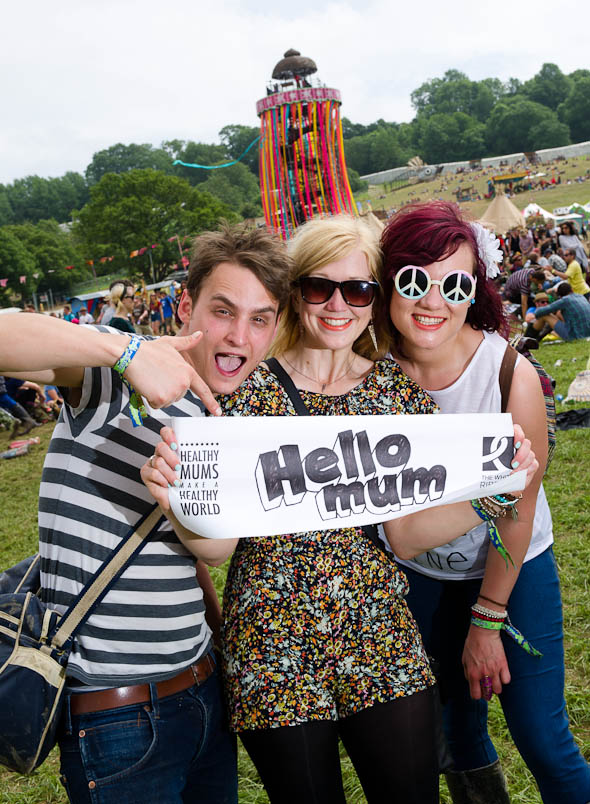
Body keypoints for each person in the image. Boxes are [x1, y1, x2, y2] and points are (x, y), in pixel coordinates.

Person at [142, 215, 537, 804]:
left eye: (357, 290)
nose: (337, 305)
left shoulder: (396, 395)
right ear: (295, 291)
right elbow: (217, 546)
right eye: (318, 288)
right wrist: (179, 504)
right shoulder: (246, 392)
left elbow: (403, 537)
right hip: (273, 644)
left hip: (380, 633)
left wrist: (489, 494)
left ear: (374, 299)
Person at [0, 221, 292, 804]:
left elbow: (216, 549)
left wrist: (178, 505)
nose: (238, 335)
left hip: (203, 693)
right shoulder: (116, 379)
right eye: (223, 310)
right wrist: (125, 348)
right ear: (186, 305)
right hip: (117, 711)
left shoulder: (226, 424)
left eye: (260, 318)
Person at [381, 200, 590, 804]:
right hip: (420, 571)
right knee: (455, 730)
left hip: (511, 567)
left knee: (542, 737)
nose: (432, 300)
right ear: (389, 279)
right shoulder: (372, 378)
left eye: (454, 284)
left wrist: (487, 619)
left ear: (474, 290)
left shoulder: (508, 377)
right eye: (414, 279)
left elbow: (517, 509)